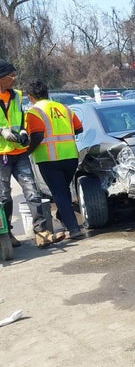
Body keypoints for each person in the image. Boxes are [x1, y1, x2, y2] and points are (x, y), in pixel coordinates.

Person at [0, 60, 65, 248]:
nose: (14, 79)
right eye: (11, 76)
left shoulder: (18, 96)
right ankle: (7, 233)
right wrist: (2, 131)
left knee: (32, 192)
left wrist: (22, 131)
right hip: (2, 154)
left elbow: (21, 117)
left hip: (19, 152)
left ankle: (42, 233)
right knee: (3, 196)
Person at [24, 79, 84, 241]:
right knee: (63, 191)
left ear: (30, 97)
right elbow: (79, 128)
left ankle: (74, 229)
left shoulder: (34, 112)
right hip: (71, 157)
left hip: (49, 158)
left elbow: (37, 135)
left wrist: (27, 151)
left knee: (59, 193)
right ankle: (64, 217)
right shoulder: (64, 108)